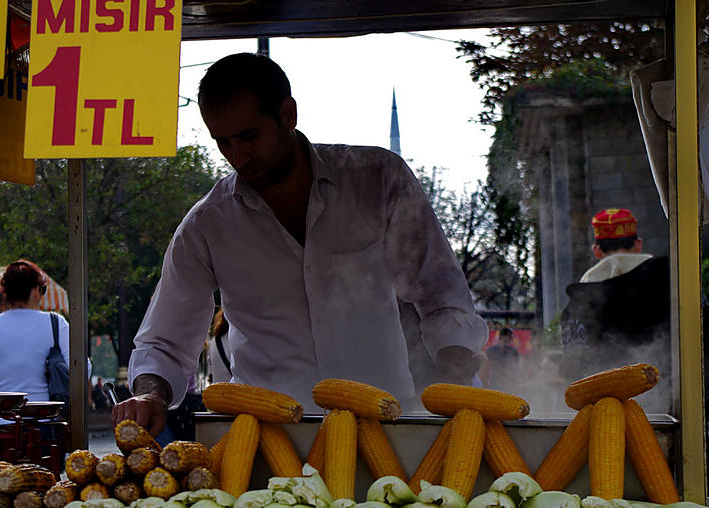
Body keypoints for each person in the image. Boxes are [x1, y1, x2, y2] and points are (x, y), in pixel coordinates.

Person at [114, 53, 488, 435]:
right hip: (268, 439)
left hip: (385, 426)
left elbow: (440, 292)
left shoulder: (377, 180)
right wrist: (150, 396)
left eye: (249, 136)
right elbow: (163, 340)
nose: (238, 157)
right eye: (222, 142)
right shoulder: (207, 225)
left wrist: (454, 360)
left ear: (287, 115)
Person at [560, 208, 709, 492]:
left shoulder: (577, 304)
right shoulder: (677, 281)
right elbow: (706, 342)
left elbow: (575, 372)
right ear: (638, 243)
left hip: (612, 438)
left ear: (596, 250)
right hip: (684, 425)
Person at [0, 260, 70, 403]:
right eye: (42, 290)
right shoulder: (57, 324)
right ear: (35, 291)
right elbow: (83, 370)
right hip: (42, 421)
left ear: (5, 293)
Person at [485, 327, 520, 392]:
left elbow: (516, 366)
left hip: (508, 382)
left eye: (510, 337)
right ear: (502, 336)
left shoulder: (513, 351)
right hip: (494, 380)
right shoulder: (491, 350)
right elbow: (486, 366)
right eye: (508, 336)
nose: (510, 339)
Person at [208, 307, 232, 384]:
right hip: (233, 394)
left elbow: (210, 374)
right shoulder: (236, 342)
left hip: (216, 394)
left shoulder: (213, 342)